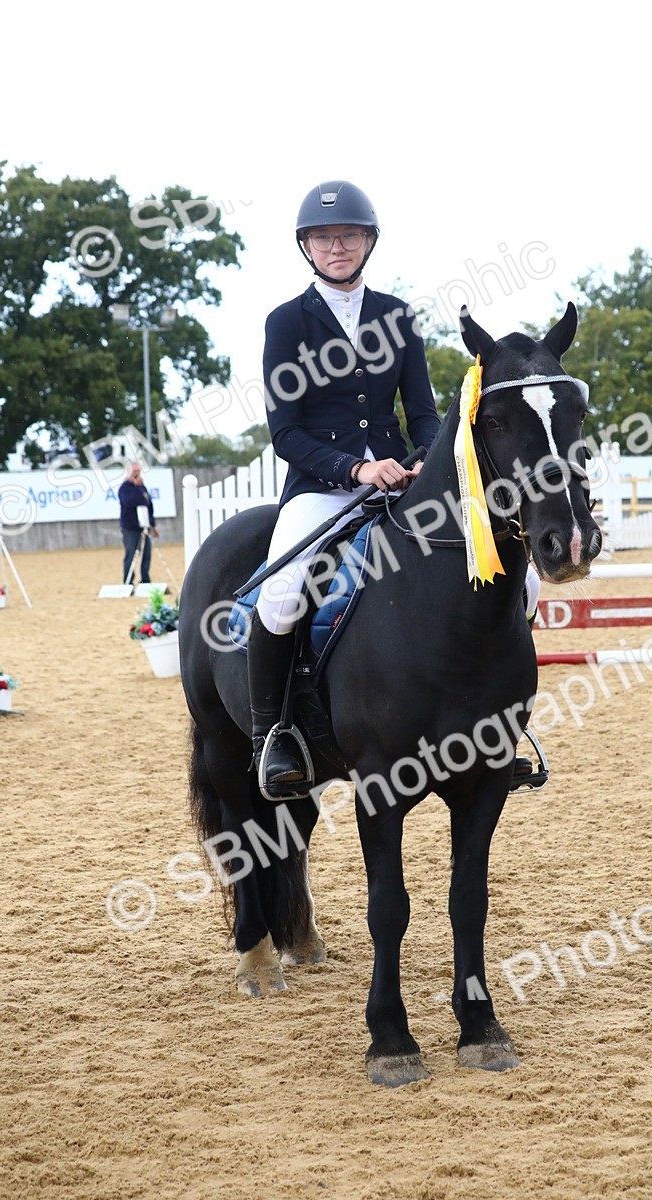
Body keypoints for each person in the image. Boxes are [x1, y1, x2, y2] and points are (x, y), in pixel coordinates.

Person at [250, 180, 441, 795]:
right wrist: (356, 470)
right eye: (325, 237)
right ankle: (271, 736)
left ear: (368, 242)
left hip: (400, 482)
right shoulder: (286, 323)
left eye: (349, 235)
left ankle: (495, 718)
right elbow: (285, 432)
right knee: (281, 596)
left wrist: (424, 462)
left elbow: (425, 414)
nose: (338, 246)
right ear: (307, 245)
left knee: (503, 571)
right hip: (322, 488)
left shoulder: (397, 316)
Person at [118, 462, 158, 584]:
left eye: (138, 471)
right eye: (134, 471)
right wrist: (135, 487)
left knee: (146, 554)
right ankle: (128, 580)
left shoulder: (142, 487)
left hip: (144, 527)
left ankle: (145, 579)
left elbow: (148, 505)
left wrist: (152, 524)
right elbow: (130, 502)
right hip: (130, 528)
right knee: (131, 554)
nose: (136, 474)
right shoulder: (124, 488)